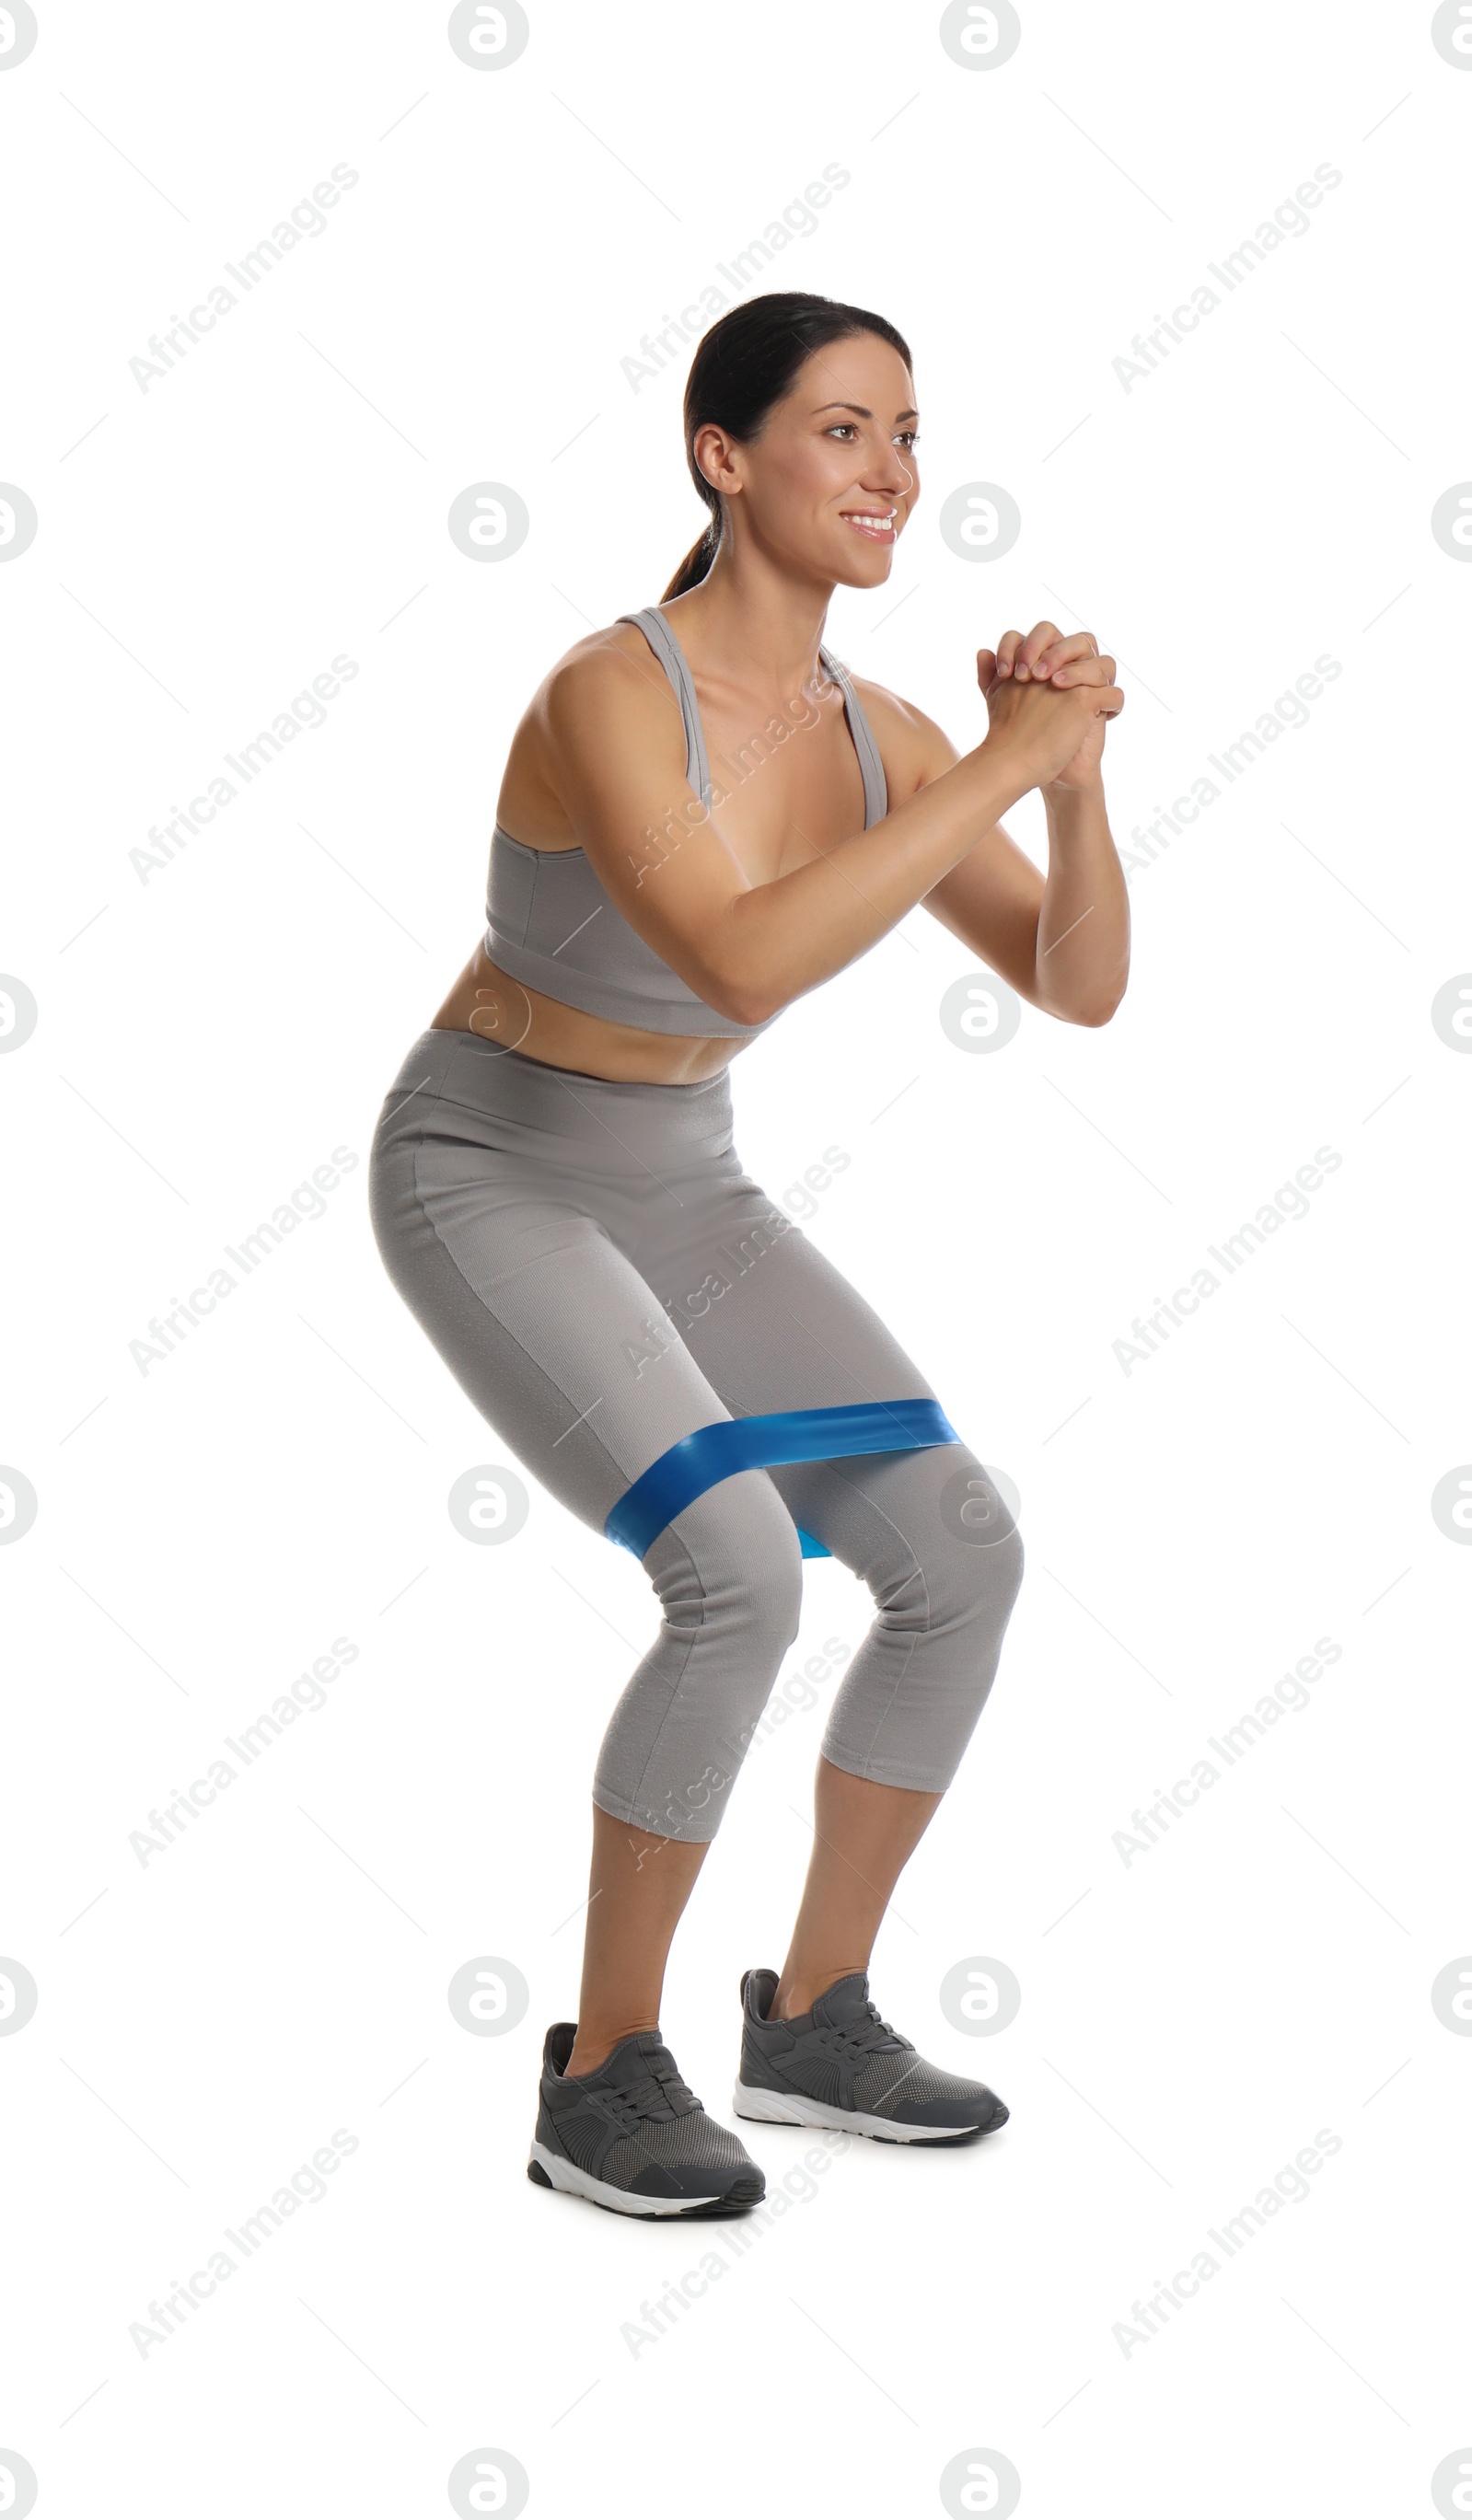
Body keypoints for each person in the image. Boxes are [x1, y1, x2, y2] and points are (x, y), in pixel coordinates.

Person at [368, 290, 1129, 2218]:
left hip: (677, 1174)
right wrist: (995, 757)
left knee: (955, 1547)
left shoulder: (882, 733)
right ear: (722, 456)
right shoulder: (608, 692)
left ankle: (809, 2015)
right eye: (842, 430)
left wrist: (1072, 776)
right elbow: (739, 955)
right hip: (494, 1162)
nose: (891, 472)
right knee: (729, 1573)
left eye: (903, 431)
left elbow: (1077, 982)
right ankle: (603, 2068)